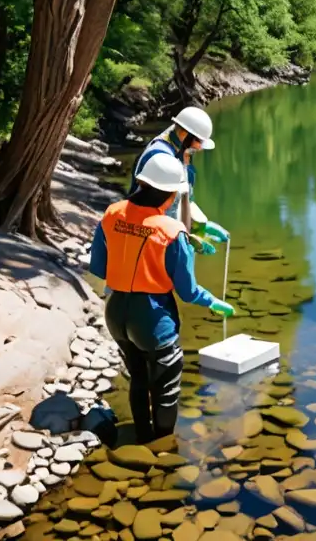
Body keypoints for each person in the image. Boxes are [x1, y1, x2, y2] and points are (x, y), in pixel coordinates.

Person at [90, 152, 235, 444]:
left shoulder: (112, 213)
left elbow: (98, 267)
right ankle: (162, 446)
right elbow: (188, 291)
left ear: (142, 183)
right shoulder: (172, 231)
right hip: (153, 318)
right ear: (170, 196)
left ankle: (142, 436)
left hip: (116, 311)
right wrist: (213, 302)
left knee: (138, 376)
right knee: (166, 385)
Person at [130, 106, 227, 252]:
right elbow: (152, 211)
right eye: (199, 141)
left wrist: (199, 225)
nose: (200, 148)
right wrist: (182, 240)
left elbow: (184, 198)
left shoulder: (183, 151)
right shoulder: (160, 159)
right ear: (184, 133)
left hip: (170, 237)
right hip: (151, 243)